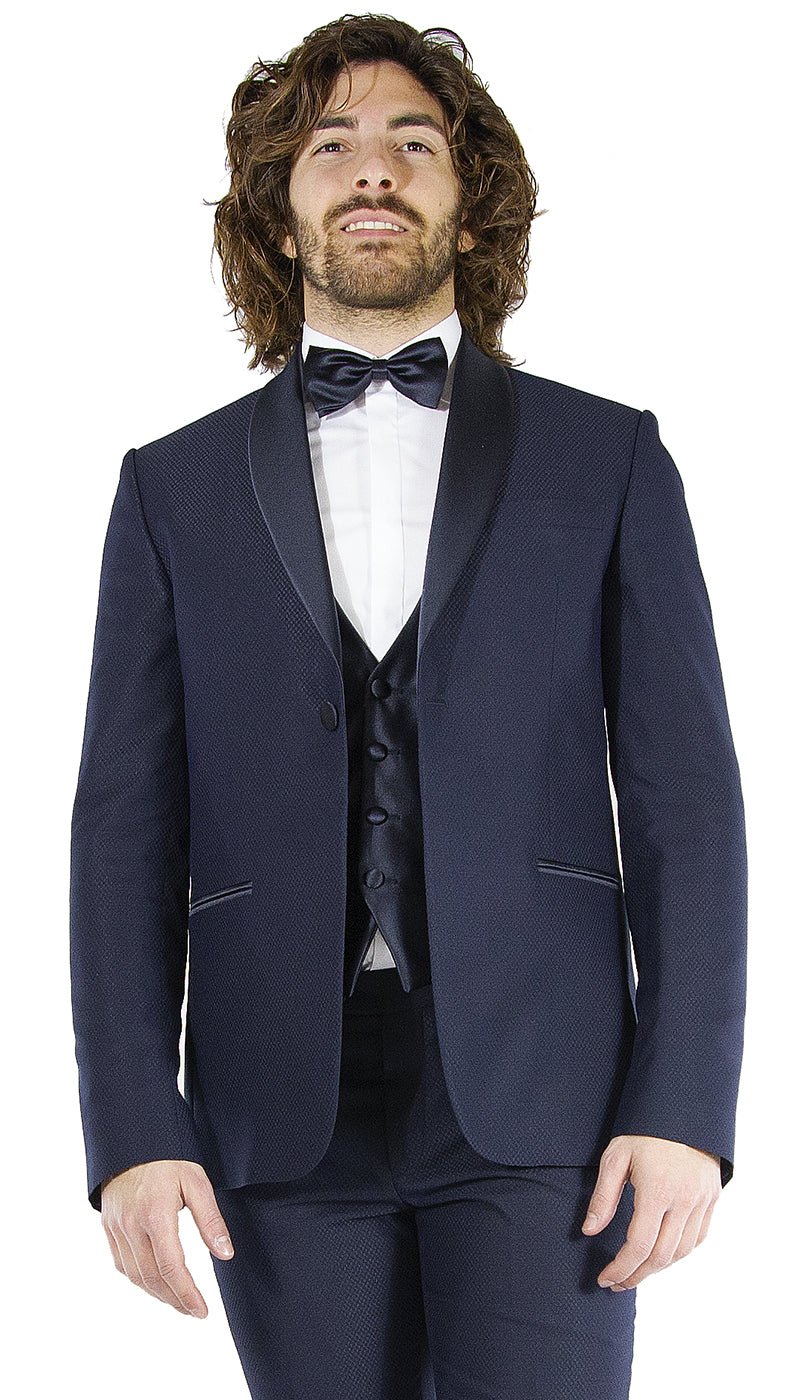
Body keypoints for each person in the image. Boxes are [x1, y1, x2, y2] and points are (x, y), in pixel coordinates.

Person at [69, 15, 748, 1399]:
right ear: (277, 214)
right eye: (331, 145)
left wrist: (685, 1102)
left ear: (470, 201)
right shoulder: (169, 489)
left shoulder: (607, 459)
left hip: (546, 1092)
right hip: (276, 1101)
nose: (372, 169)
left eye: (413, 143)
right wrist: (132, 1123)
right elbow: (122, 828)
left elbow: (688, 801)